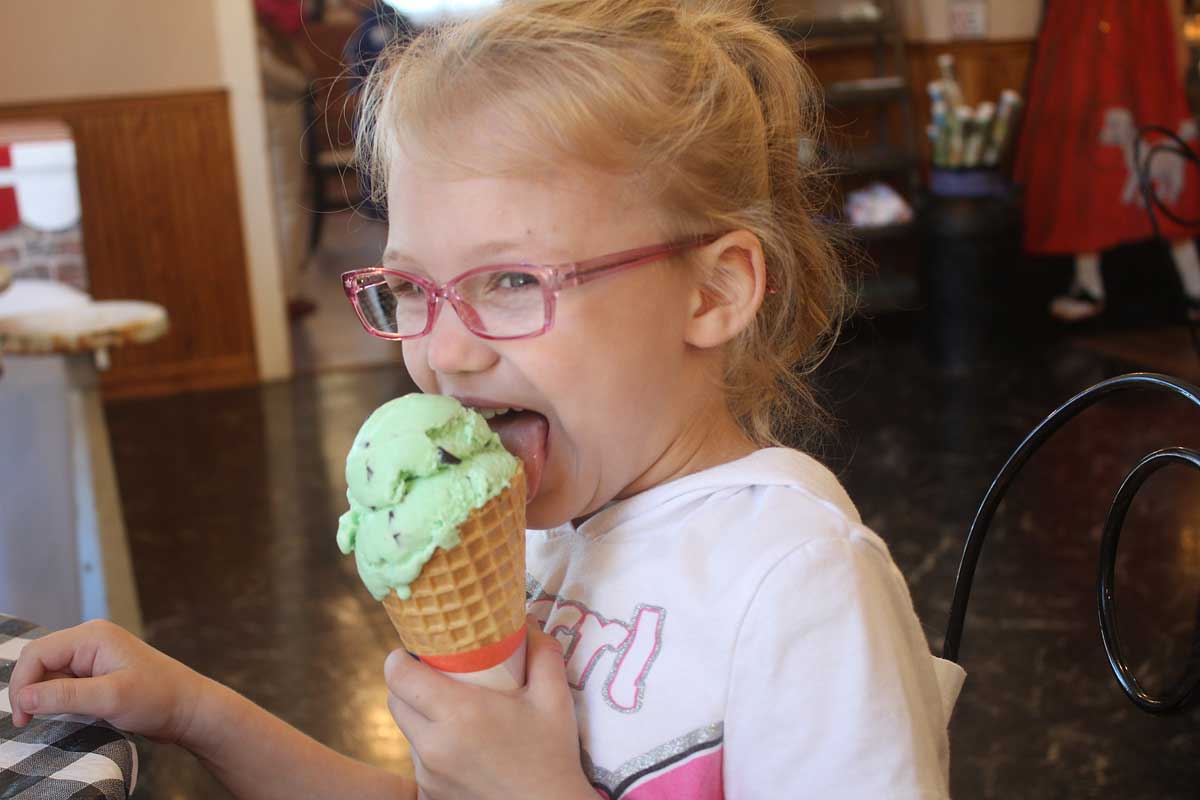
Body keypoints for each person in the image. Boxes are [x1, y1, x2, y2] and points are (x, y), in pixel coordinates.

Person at [8, 2, 965, 797]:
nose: (445, 350)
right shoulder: (543, 536)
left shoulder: (795, 584)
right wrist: (192, 711)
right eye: (415, 288)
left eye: (511, 280)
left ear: (711, 292)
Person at [1015, 0, 1200, 323]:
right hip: (1084, 38)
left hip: (1141, 34)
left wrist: (1178, 46)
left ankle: (1194, 284)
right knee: (1083, 159)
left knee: (1161, 146)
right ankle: (1089, 282)